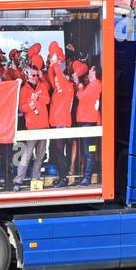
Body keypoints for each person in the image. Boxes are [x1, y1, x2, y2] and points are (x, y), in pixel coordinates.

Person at [13, 65, 51, 189]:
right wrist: (30, 105)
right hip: (32, 127)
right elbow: (21, 108)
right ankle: (18, 181)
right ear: (27, 75)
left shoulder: (42, 86)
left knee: (40, 156)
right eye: (32, 75)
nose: (35, 77)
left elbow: (48, 100)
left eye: (36, 75)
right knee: (27, 155)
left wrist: (38, 97)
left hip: (44, 126)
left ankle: (36, 180)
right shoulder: (24, 89)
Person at [47, 52, 76, 187]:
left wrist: (56, 64)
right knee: (57, 153)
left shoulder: (68, 89)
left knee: (60, 153)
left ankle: (63, 179)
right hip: (55, 125)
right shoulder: (57, 91)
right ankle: (61, 177)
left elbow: (58, 76)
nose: (56, 82)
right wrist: (51, 67)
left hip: (62, 126)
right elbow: (52, 77)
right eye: (57, 82)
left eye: (59, 81)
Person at [73, 63, 102, 186]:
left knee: (89, 152)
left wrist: (79, 87)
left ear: (94, 73)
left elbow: (82, 97)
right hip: (87, 123)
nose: (89, 72)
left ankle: (87, 178)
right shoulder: (93, 85)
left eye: (90, 70)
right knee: (88, 151)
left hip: (89, 123)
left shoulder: (95, 85)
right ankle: (86, 176)